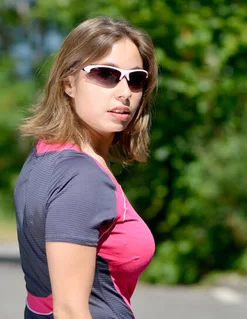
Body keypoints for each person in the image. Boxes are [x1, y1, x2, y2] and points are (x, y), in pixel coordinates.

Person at [14, 16, 158, 319]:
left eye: (136, 79)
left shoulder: (43, 155)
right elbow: (68, 310)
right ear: (68, 82)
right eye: (105, 74)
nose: (124, 92)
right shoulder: (83, 178)